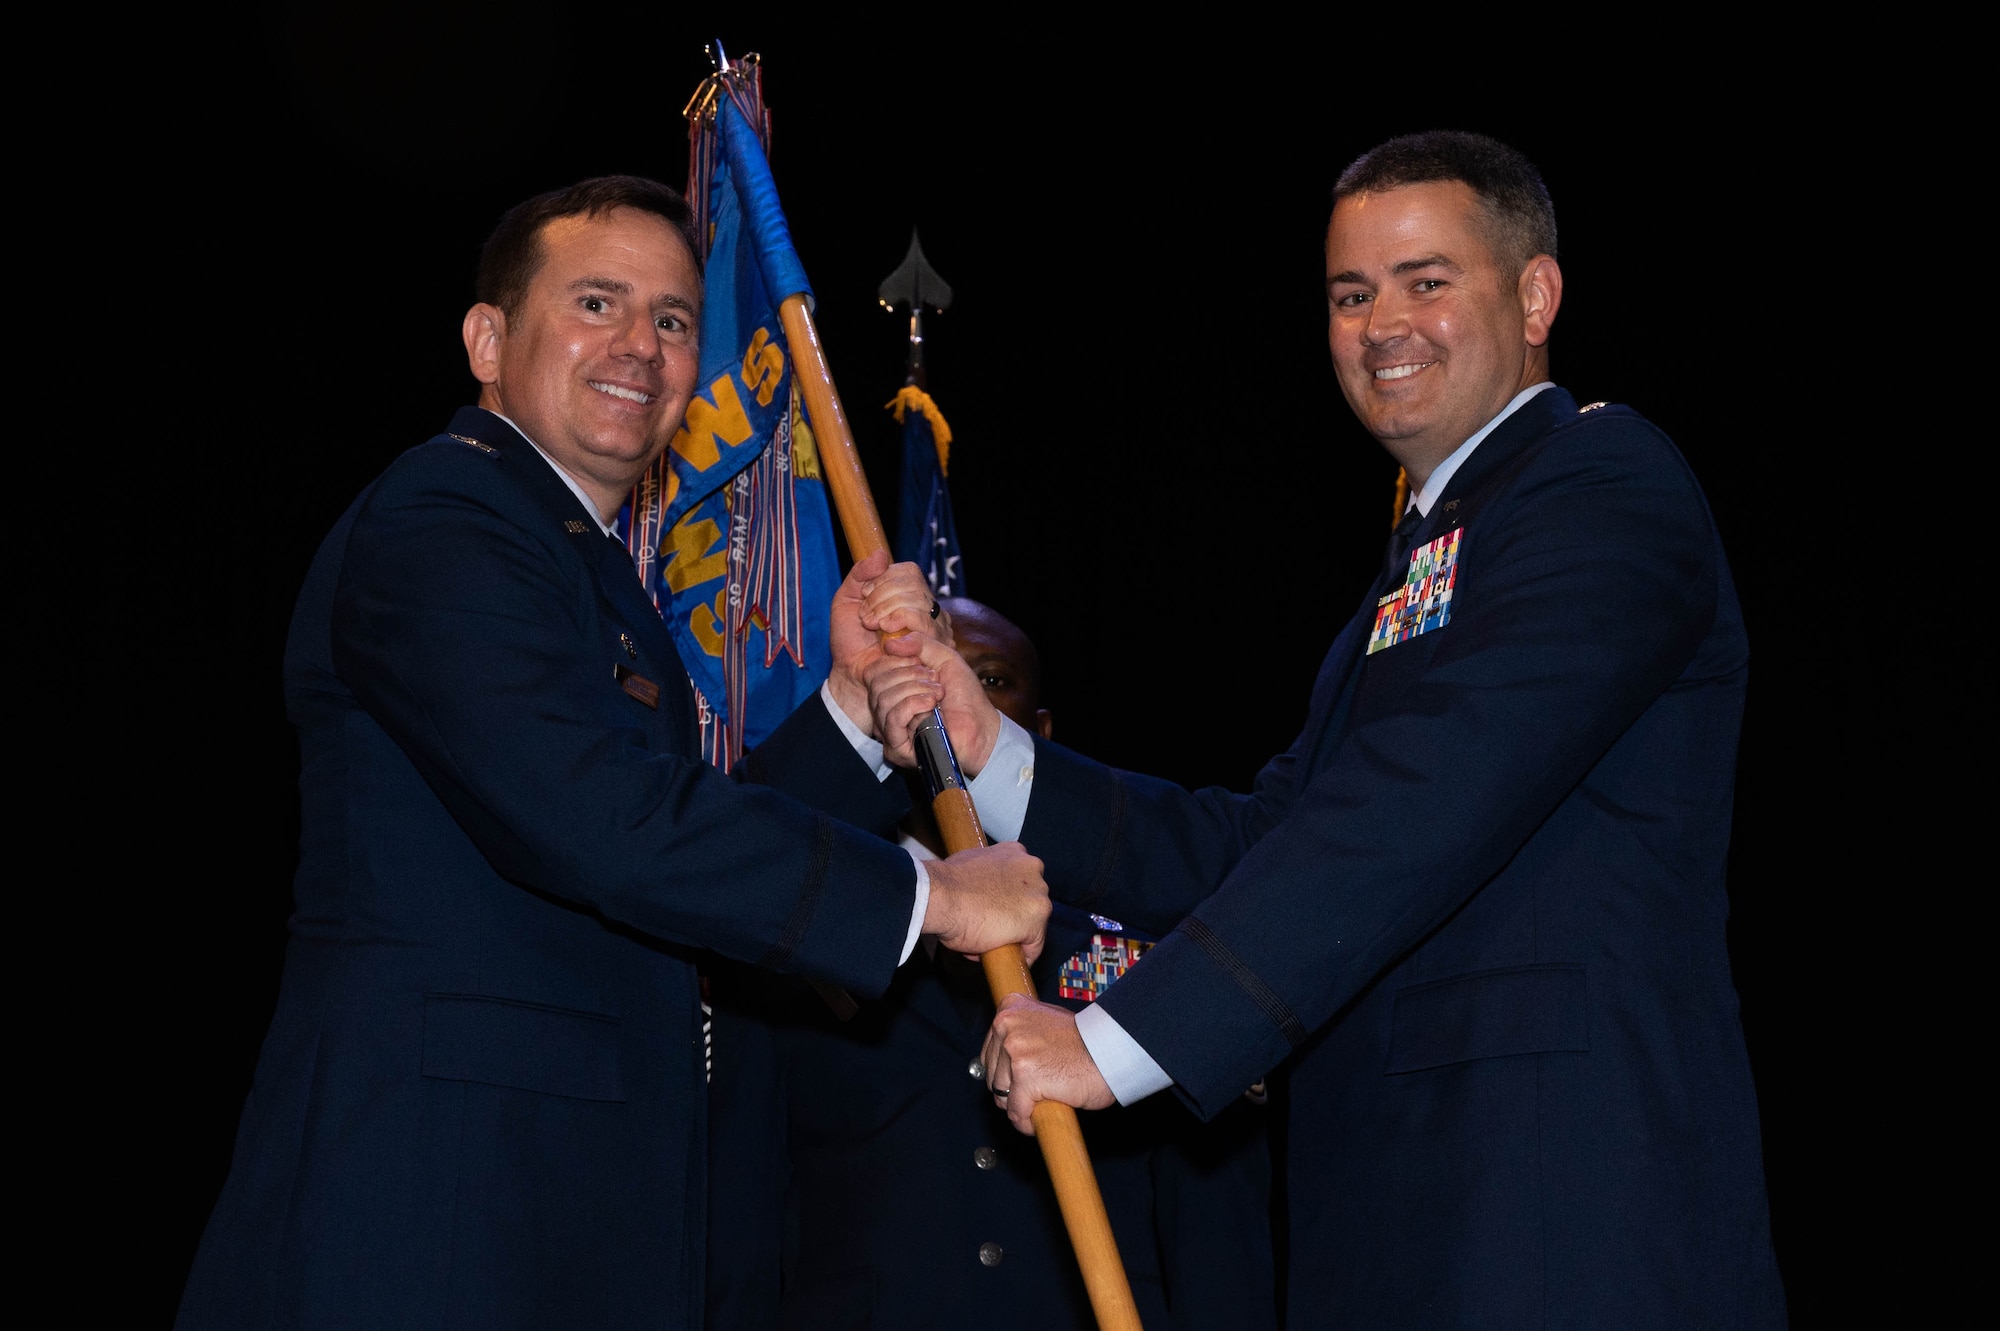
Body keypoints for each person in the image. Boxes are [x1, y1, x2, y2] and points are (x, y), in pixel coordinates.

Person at [868, 133, 1787, 1325]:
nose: (1380, 323)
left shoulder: (1603, 483)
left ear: (1535, 295)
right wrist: (991, 749)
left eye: (1425, 280)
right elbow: (1261, 842)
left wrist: (1121, 1038)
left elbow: (1424, 794)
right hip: (1393, 1221)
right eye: (1351, 293)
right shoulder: (1412, 571)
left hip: (1557, 1221)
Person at [174, 176, 1050, 1330]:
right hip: (435, 1215)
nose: (640, 343)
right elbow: (600, 816)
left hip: (563, 1215)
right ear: (489, 338)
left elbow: (663, 842)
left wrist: (846, 707)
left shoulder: (575, 564)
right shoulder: (445, 517)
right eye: (596, 302)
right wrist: (932, 896)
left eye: (674, 319)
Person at [705, 598, 1275, 1330]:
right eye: (908, 674)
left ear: (1035, 728)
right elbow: (742, 1211)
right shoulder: (801, 925)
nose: (940, 694)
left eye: (991, 678)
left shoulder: (1141, 939)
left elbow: (1214, 1227)